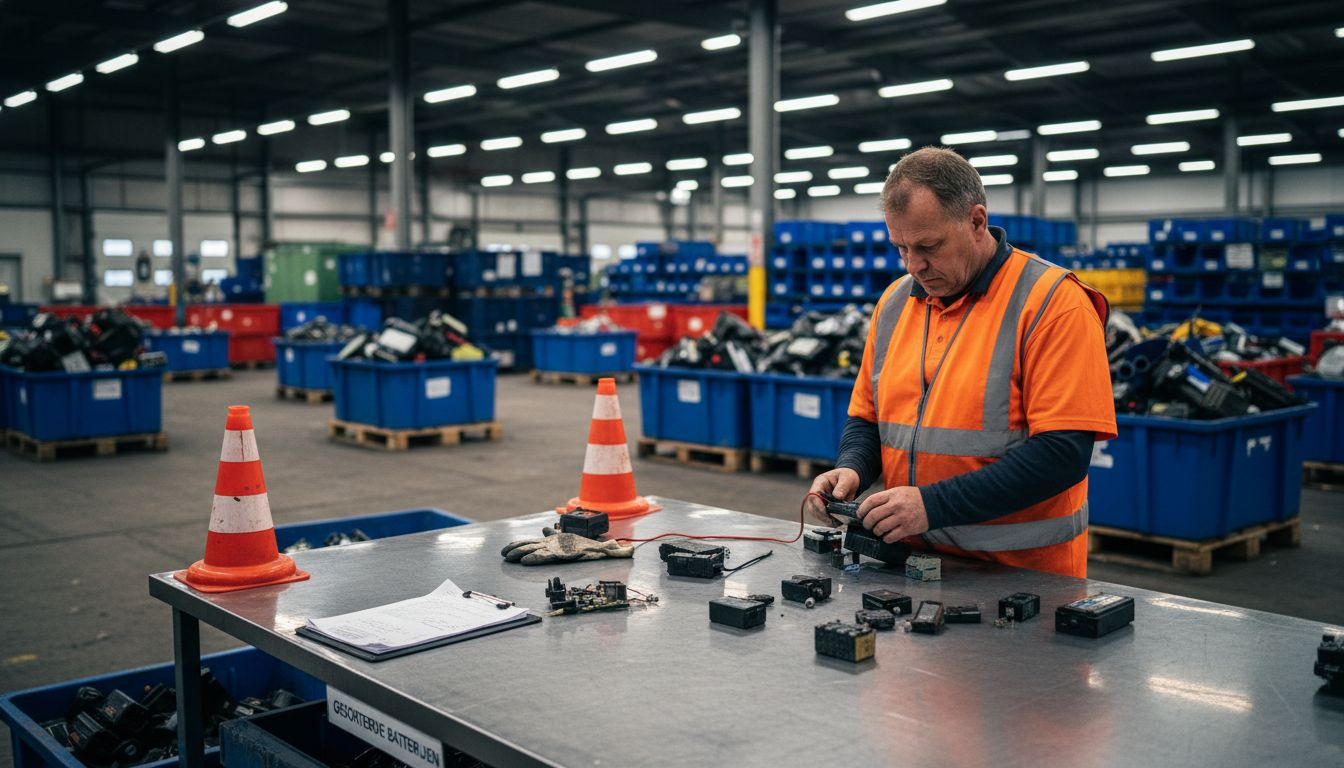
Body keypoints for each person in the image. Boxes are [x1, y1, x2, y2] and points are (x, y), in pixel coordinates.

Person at [807, 147, 1116, 578]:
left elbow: (1062, 454)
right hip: (912, 568)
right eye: (901, 248)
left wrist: (932, 506)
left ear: (976, 222)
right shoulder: (895, 303)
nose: (915, 265)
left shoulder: (1052, 304)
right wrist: (851, 468)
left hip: (1025, 579)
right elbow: (869, 418)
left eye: (929, 246)